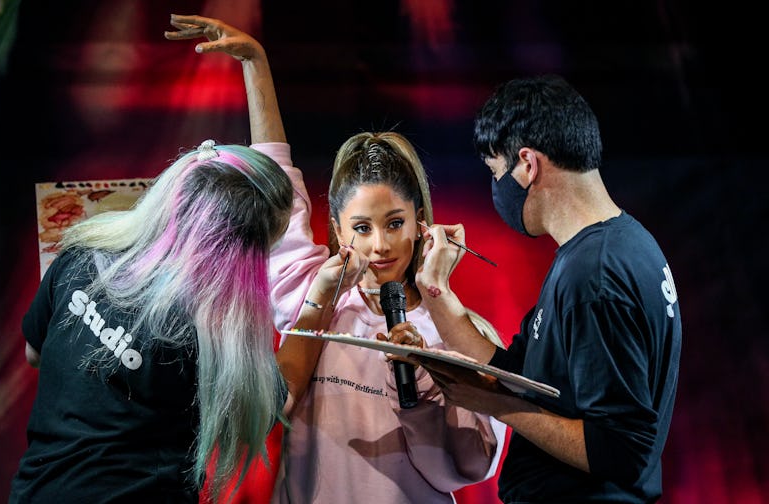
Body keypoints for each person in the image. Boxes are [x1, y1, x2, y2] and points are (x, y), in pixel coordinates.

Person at [165, 14, 503, 504]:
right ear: (338, 233)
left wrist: (422, 381)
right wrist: (255, 64)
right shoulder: (316, 300)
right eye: (362, 228)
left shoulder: (459, 332)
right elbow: (277, 181)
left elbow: (470, 467)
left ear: (421, 222)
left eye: (394, 223)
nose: (381, 245)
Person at [411, 75, 682, 503]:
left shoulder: (596, 273)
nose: (495, 189)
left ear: (527, 164)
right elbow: (515, 374)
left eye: (495, 172)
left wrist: (494, 406)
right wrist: (435, 290)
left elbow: (621, 450)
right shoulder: (615, 247)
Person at [9, 139, 298, 503]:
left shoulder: (83, 255)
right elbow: (277, 405)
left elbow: (34, 353)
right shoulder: (208, 332)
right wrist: (317, 306)